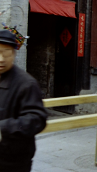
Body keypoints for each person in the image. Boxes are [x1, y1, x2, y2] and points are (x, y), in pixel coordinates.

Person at [0, 30, 48, 172]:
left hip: (13, 161)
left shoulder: (26, 83)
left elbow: (37, 119)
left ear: (14, 54)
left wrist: (4, 127)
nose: (1, 58)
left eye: (6, 53)